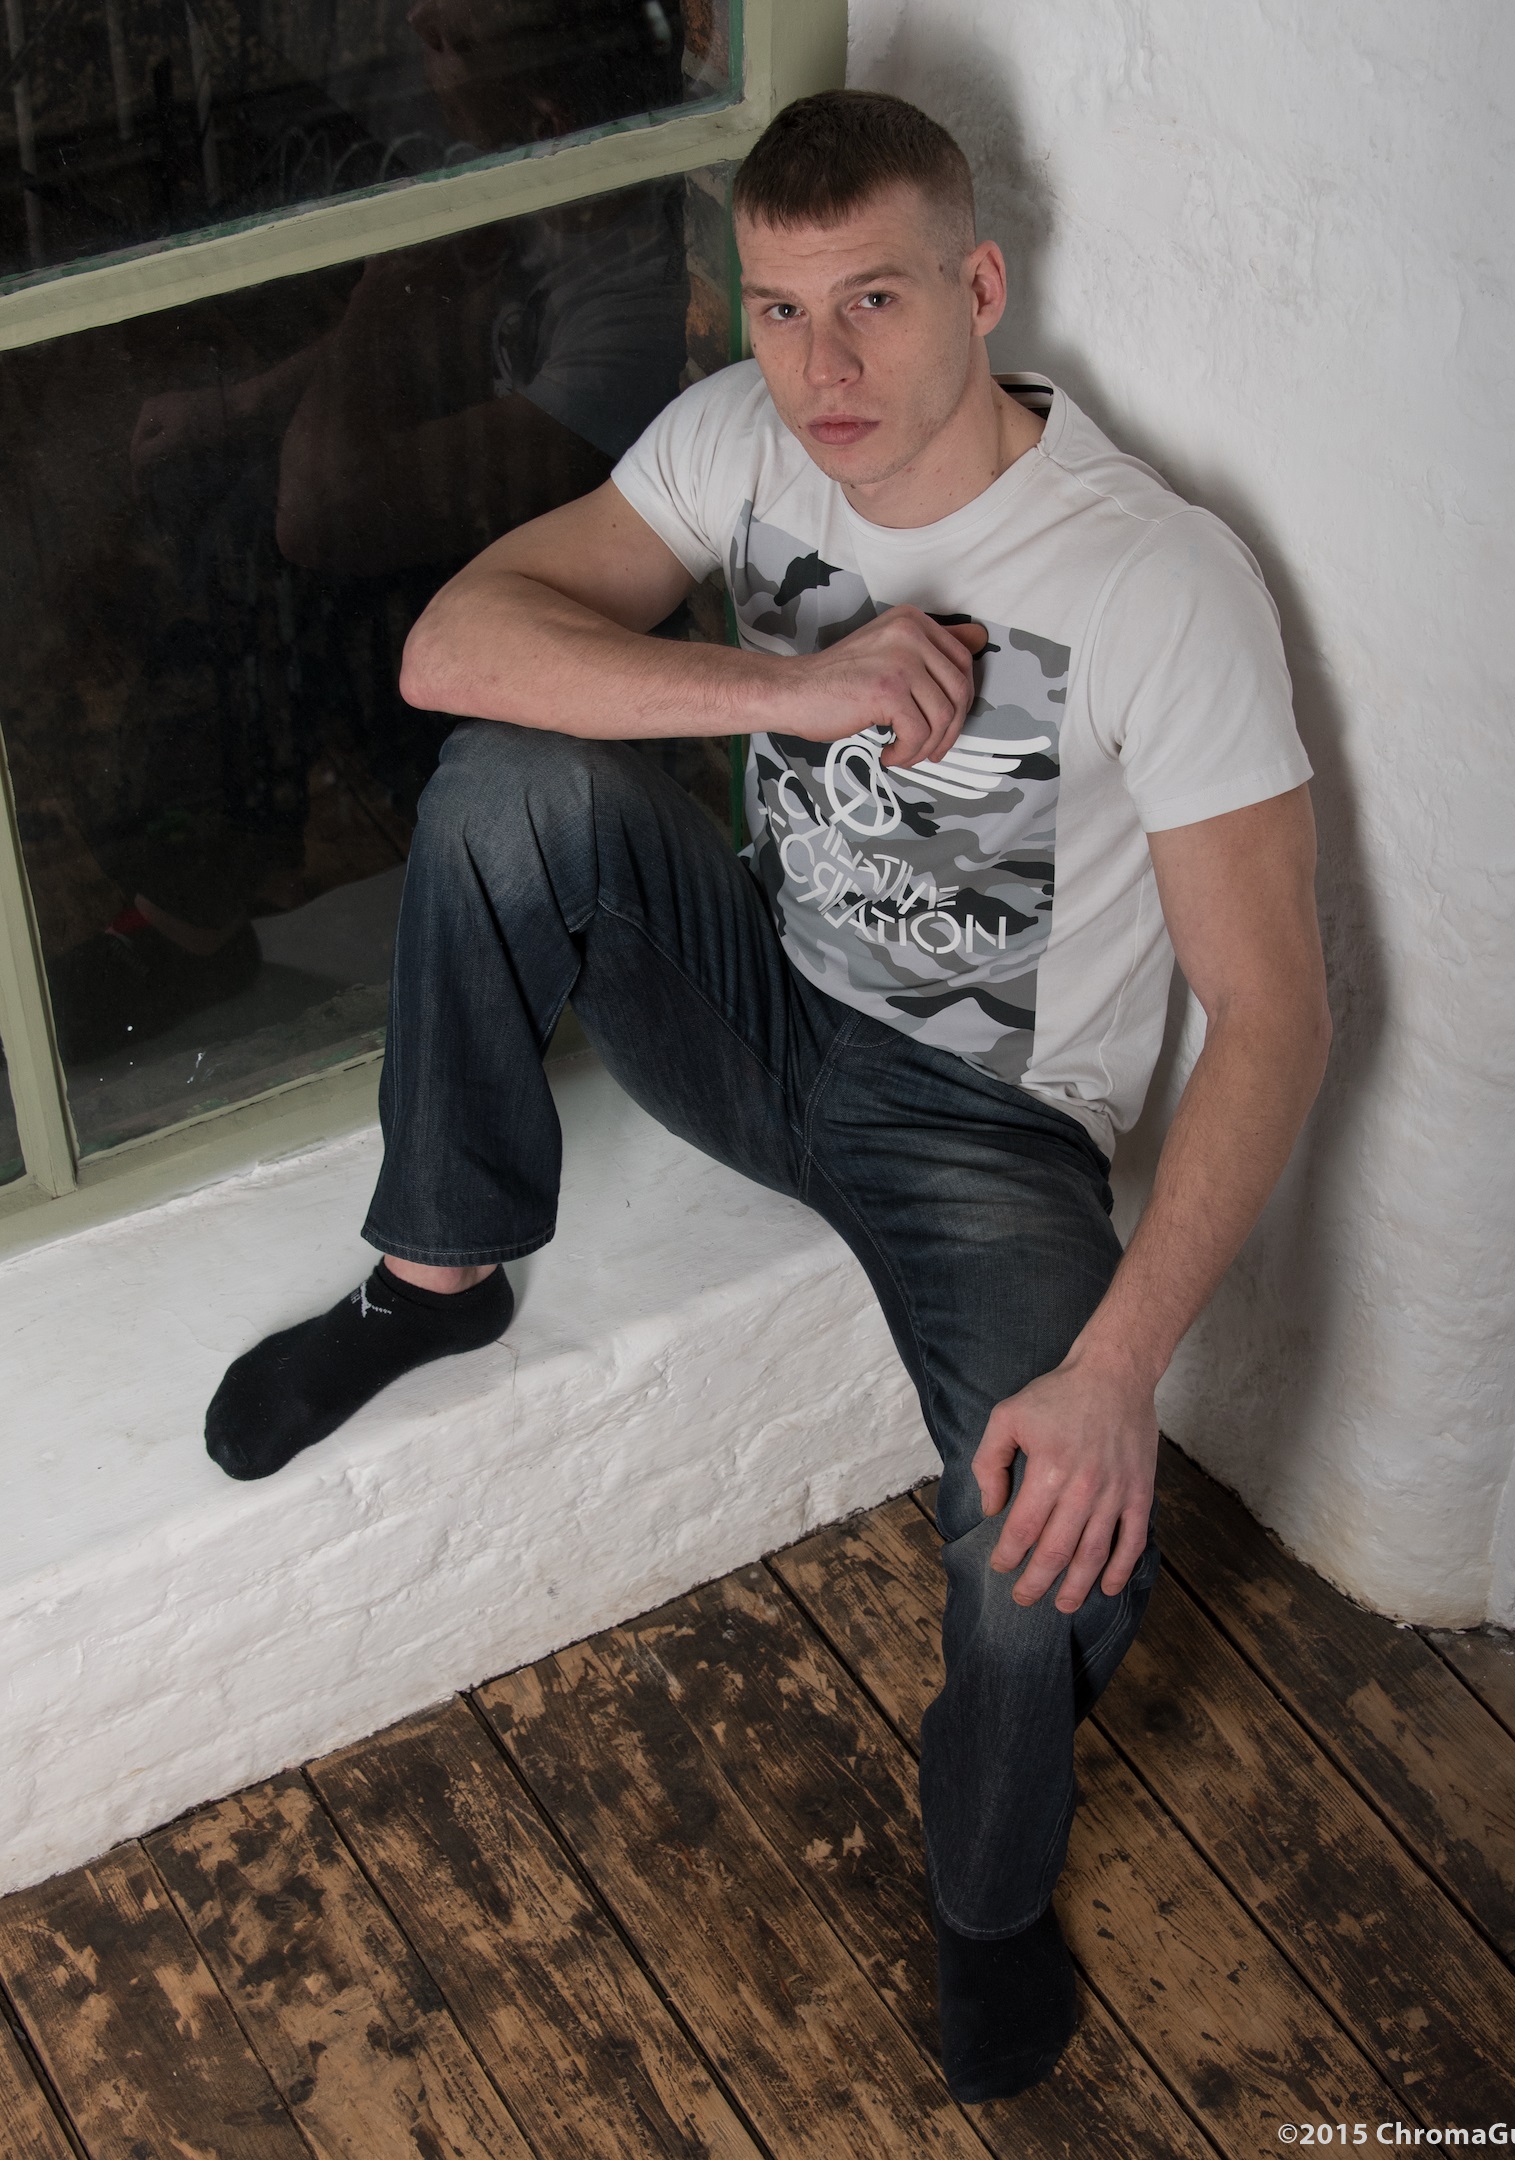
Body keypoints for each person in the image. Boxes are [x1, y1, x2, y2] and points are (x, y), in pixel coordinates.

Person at [204, 89, 1331, 2104]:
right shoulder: (739, 434)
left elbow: (1277, 1014)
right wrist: (785, 688)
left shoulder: (1159, 582)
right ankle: (441, 1267)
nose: (821, 365)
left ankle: (987, 1900)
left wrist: (1118, 1363)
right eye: (784, 304)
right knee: (503, 792)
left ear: (979, 288)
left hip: (985, 1137)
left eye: (876, 301)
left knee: (1049, 1539)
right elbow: (461, 649)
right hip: (754, 997)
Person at [47, 0, 687, 1064]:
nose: (421, 45)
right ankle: (184, 893)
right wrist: (238, 405)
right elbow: (420, 333)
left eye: (451, 45)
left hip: (573, 632)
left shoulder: (627, 302)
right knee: (212, 486)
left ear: (545, 105)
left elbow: (328, 513)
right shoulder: (540, 172)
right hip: (479, 531)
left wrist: (400, 269)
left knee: (269, 553)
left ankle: (207, 920)